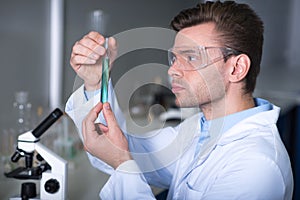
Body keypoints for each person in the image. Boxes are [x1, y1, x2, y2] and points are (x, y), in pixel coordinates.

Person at [66, 1, 293, 199]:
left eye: (191, 57)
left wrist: (123, 165)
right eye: (174, 58)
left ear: (236, 68)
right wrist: (96, 82)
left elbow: (122, 158)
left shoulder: (256, 167)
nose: (173, 70)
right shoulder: (200, 130)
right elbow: (121, 150)